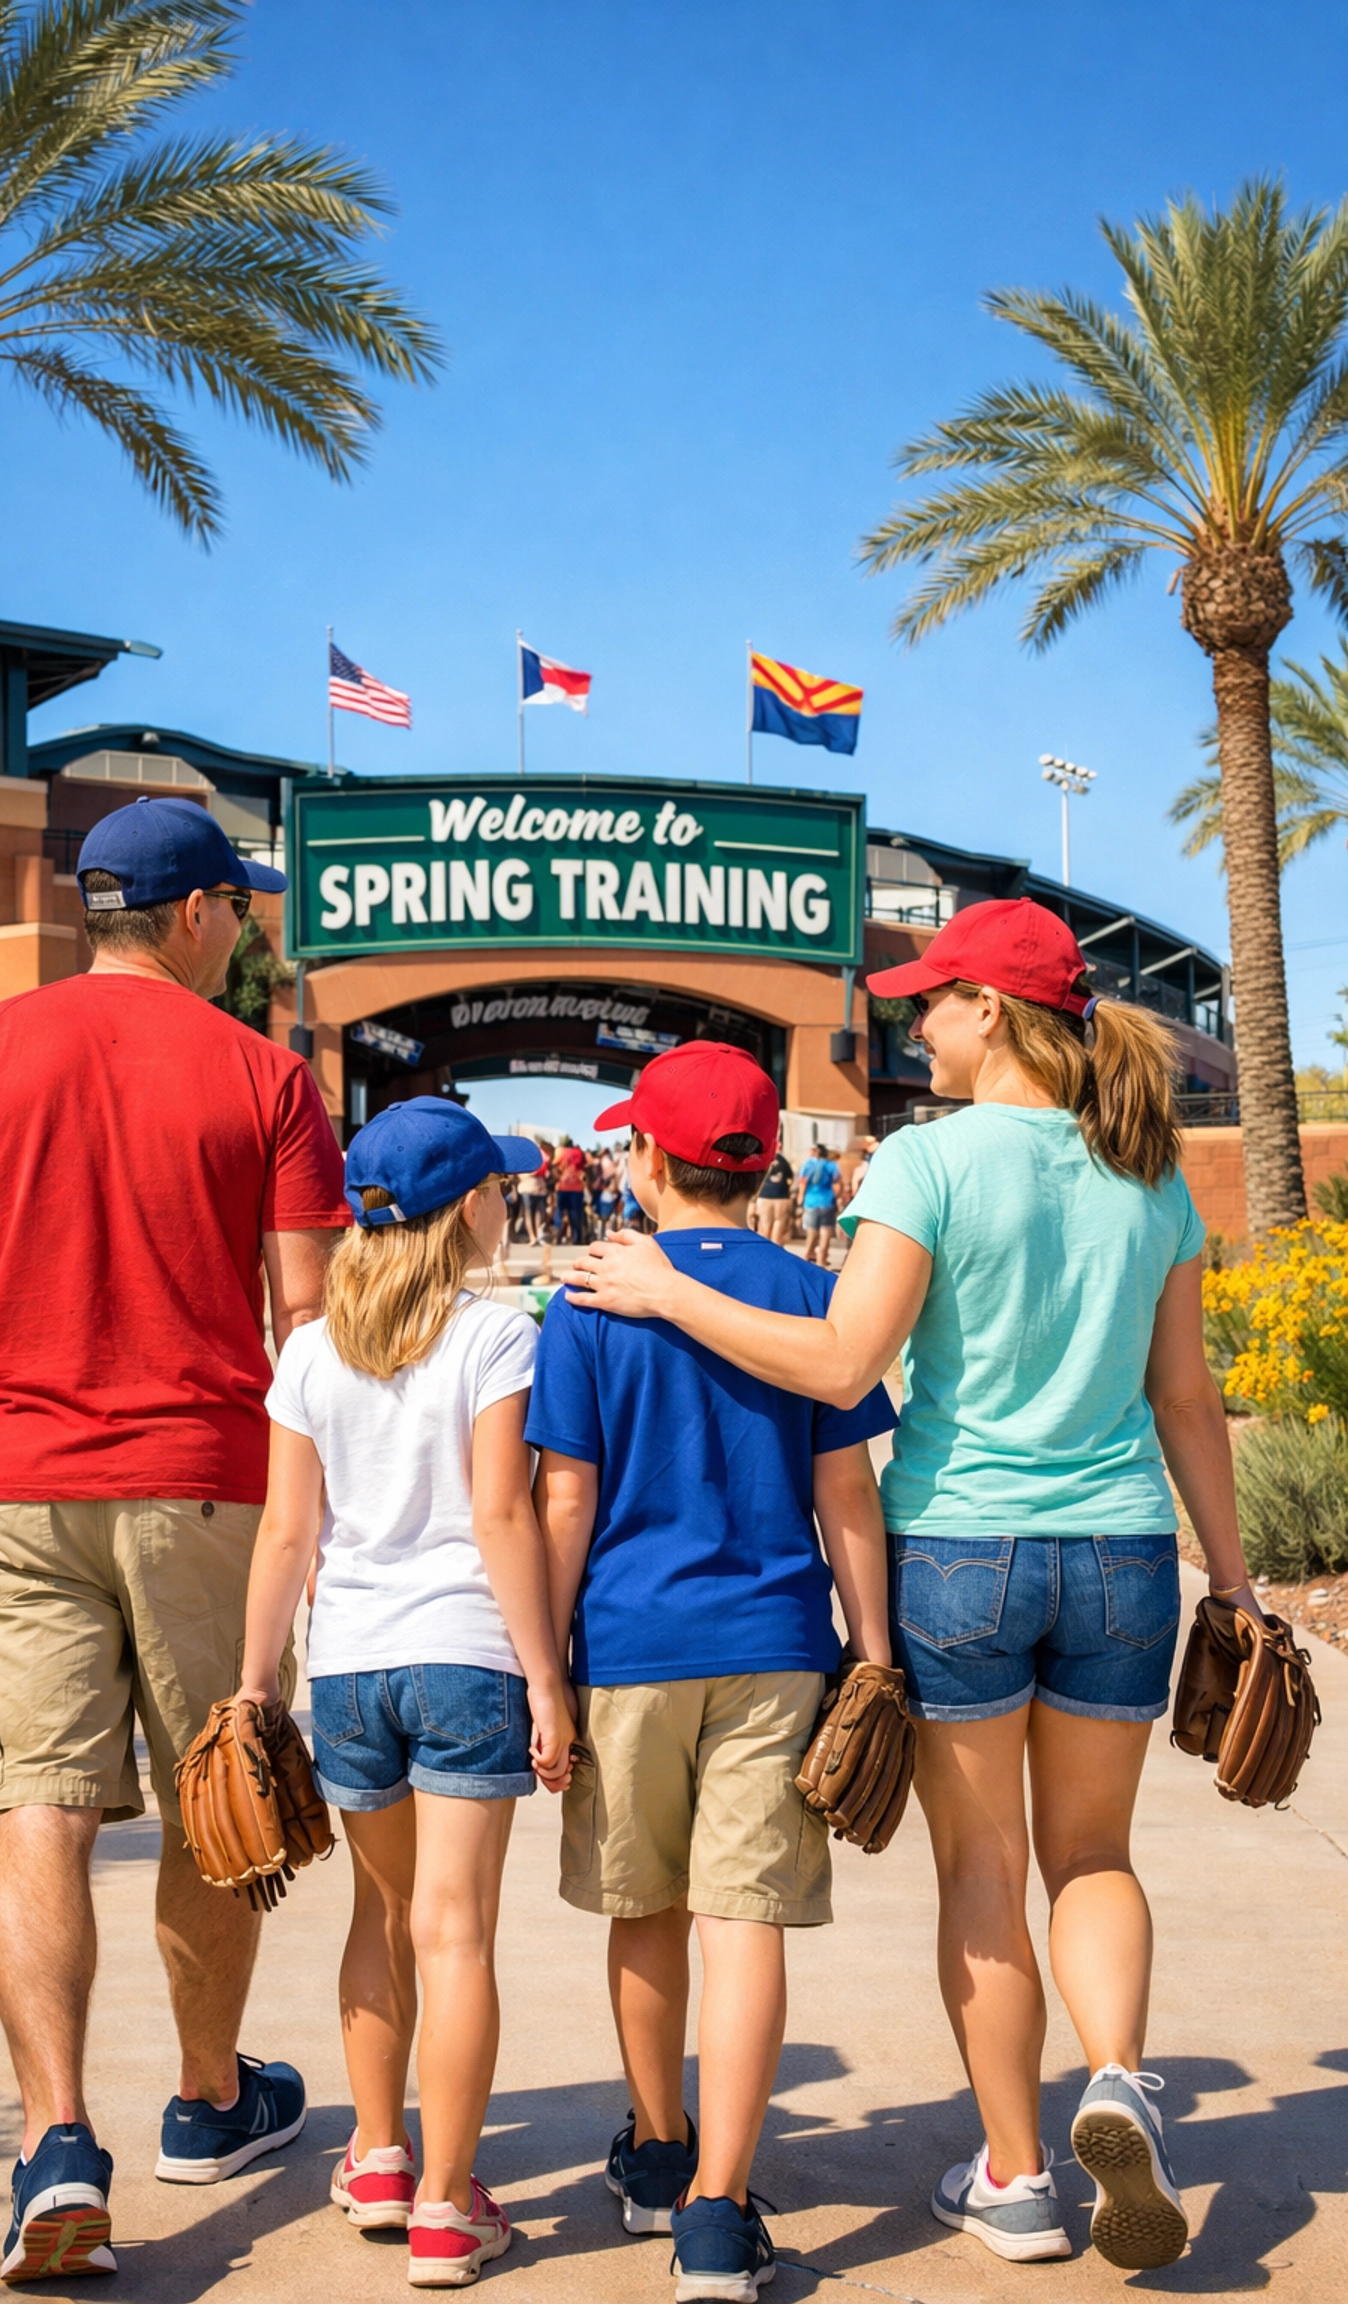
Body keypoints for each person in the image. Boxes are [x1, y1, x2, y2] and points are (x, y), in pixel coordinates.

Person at [567, 899, 1261, 2274]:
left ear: (989, 1015)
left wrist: (665, 1292)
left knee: (987, 1869)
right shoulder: (1152, 1176)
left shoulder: (928, 1166)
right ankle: (1115, 2075)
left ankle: (1014, 2174)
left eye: (930, 1002)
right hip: (1124, 1550)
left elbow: (840, 1367)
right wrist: (1235, 1586)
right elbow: (1186, 1400)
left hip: (961, 1550)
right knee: (1097, 1859)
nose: (914, 1024)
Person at [0, 796, 351, 2284]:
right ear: (193, 913)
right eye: (239, 910)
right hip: (206, 1482)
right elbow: (307, 1323)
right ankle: (207, 2101)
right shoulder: (265, 1075)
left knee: (36, 1810)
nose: (247, 934)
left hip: (11, 1482)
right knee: (222, 1786)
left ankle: (57, 2140)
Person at [530, 1043, 897, 2303]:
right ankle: (718, 2215)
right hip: (780, 1646)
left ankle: (657, 2153)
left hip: (630, 1647)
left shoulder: (588, 1298)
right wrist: (879, 1650)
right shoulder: (809, 1295)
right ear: (758, 1166)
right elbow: (845, 1492)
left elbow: (563, 1498)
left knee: (646, 1909)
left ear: (643, 1161)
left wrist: (549, 1663)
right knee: (747, 1923)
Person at [236, 1098, 574, 2287]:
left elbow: (287, 1533)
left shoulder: (310, 1351)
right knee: (456, 1931)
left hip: (348, 1668)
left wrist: (252, 1687)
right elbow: (500, 1514)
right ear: (466, 1211)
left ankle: (378, 2156)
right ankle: (444, 2207)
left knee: (381, 1921)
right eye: (495, 1191)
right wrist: (547, 1677)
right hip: (466, 1658)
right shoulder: (494, 1337)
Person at [796, 1142, 839, 1266]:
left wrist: (800, 1198)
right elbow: (837, 1183)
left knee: (812, 1230)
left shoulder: (807, 1164)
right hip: (827, 1200)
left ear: (815, 1151)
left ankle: (808, 1254)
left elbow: (802, 1182)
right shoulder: (831, 1165)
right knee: (826, 1229)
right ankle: (822, 1258)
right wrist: (836, 1197)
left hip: (811, 1201)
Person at [752, 1139, 796, 1247]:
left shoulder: (762, 1159)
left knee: (765, 1224)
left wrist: (753, 1199)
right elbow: (790, 1179)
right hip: (781, 1196)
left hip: (764, 1195)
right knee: (779, 1223)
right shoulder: (784, 1162)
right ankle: (775, 1248)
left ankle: (763, 1249)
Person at [553, 1134, 589, 1245]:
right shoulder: (579, 1153)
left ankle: (558, 1235)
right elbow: (585, 1168)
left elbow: (554, 1166)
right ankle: (576, 1238)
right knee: (575, 1213)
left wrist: (559, 1177)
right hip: (577, 1188)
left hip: (563, 1186)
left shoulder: (560, 1152)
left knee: (560, 1211)